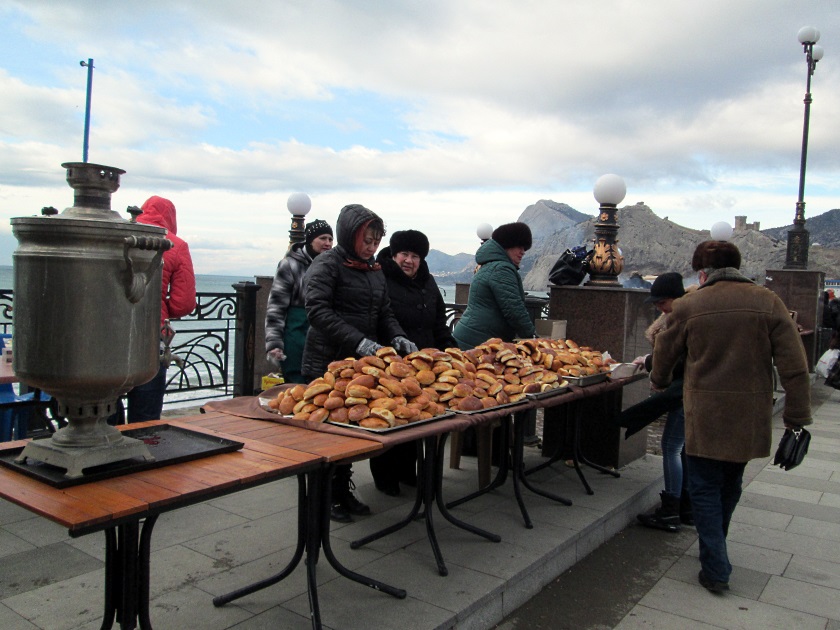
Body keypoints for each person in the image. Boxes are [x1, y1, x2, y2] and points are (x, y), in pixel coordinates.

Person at [650, 240, 811, 594]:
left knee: (704, 487)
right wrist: (797, 416)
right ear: (736, 265)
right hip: (749, 413)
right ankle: (715, 549)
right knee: (730, 483)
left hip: (705, 412)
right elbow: (794, 364)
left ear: (702, 272)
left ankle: (716, 565)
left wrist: (658, 381)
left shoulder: (691, 304)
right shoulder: (768, 301)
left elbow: (664, 348)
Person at [302, 204, 417, 522]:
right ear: (350, 236)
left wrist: (398, 337)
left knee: (349, 430)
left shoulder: (374, 271)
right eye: (366, 240)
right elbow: (318, 311)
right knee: (329, 434)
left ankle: (341, 490)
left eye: (376, 241)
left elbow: (384, 314)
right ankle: (324, 498)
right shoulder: (327, 265)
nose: (371, 247)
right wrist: (358, 341)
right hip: (326, 362)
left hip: (358, 366)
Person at [369, 229, 456, 496]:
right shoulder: (379, 278)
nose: (409, 260)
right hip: (392, 365)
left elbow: (439, 323)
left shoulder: (428, 282)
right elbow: (377, 321)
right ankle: (385, 476)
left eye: (415, 255)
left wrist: (451, 349)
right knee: (390, 420)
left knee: (416, 419)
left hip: (424, 365)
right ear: (394, 255)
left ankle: (408, 472)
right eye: (404, 254)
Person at [619, 272, 693, 531]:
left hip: (685, 392)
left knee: (671, 447)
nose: (659, 308)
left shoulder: (682, 319)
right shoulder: (688, 314)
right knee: (681, 448)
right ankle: (686, 506)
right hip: (688, 392)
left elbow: (679, 357)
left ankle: (671, 509)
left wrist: (652, 366)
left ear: (675, 298)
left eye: (662, 303)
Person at [128, 195, 196, 422]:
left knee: (105, 408)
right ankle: (143, 451)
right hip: (151, 333)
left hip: (108, 332)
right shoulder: (176, 244)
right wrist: (163, 307)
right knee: (145, 416)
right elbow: (183, 303)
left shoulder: (122, 235)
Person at [265, 219, 333, 384]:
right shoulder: (289, 265)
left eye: (330, 239)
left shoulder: (331, 266)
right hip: (296, 333)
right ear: (310, 240)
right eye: (322, 238)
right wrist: (274, 343)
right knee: (296, 384)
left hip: (323, 335)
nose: (328, 243)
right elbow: (276, 307)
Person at [453, 222, 537, 349]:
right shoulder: (501, 268)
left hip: (473, 339)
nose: (523, 252)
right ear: (508, 244)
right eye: (519, 246)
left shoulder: (490, 265)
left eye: (524, 248)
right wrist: (534, 339)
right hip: (476, 342)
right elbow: (514, 310)